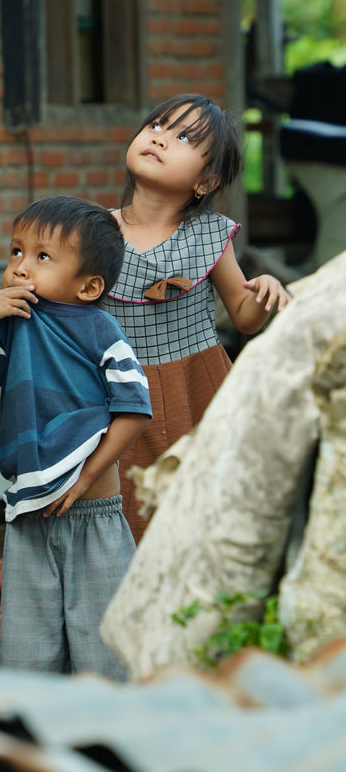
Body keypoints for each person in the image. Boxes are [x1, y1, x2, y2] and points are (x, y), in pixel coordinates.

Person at [0, 195, 151, 679]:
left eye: (42, 257)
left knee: (103, 651)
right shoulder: (10, 326)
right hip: (27, 514)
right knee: (29, 652)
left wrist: (86, 479)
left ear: (89, 286)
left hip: (94, 514)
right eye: (15, 251)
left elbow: (135, 409)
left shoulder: (100, 329)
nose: (21, 268)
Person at [103, 93, 292, 542]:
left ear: (204, 183)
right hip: (120, 390)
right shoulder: (94, 233)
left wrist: (265, 292)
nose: (160, 138)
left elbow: (243, 317)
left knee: (202, 495)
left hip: (197, 381)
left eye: (183, 136)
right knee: (127, 498)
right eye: (157, 126)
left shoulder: (210, 235)